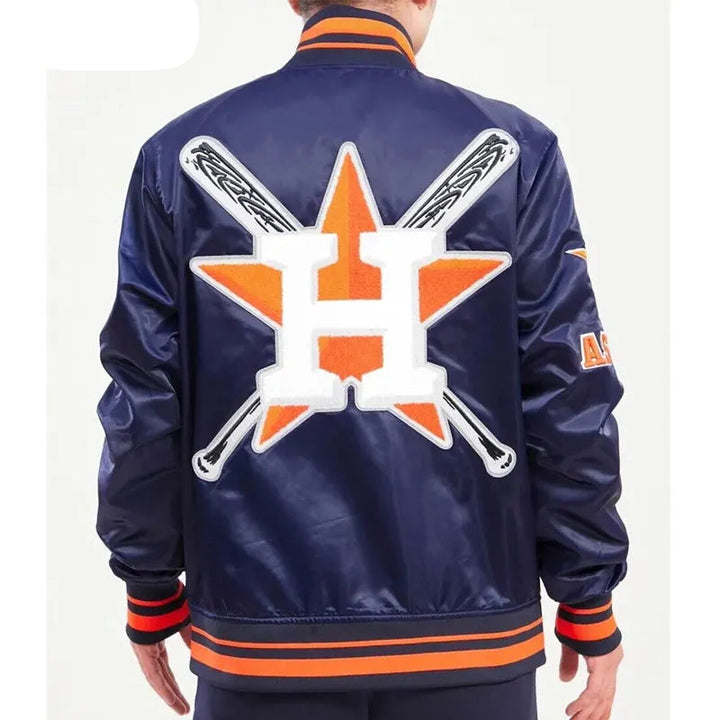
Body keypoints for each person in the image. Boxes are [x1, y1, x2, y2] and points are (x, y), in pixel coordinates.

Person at [96, 1, 629, 718]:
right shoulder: (518, 152)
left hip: (260, 643)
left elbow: (143, 398)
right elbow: (568, 390)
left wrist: (150, 585)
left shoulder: (177, 155)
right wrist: (587, 593)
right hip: (471, 641)